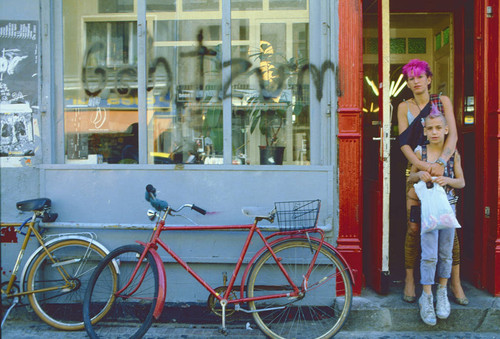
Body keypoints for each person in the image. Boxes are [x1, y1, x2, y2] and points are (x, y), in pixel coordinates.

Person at [396, 59, 468, 305]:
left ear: (428, 79)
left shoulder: (442, 102)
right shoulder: (403, 106)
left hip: (444, 167)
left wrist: (443, 162)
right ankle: (409, 279)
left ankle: (455, 284)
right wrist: (425, 166)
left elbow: (454, 134)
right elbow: (404, 143)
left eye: (419, 77)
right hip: (417, 169)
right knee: (414, 228)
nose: (415, 81)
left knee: (448, 227)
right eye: (410, 78)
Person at [407, 110, 465, 325]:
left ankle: (442, 292)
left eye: (438, 128)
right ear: (424, 130)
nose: (434, 132)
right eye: (430, 128)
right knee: (429, 254)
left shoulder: (453, 153)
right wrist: (419, 174)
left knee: (446, 252)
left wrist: (447, 180)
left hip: (449, 209)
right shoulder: (420, 152)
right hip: (428, 210)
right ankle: (427, 295)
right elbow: (410, 177)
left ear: (446, 130)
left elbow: (462, 182)